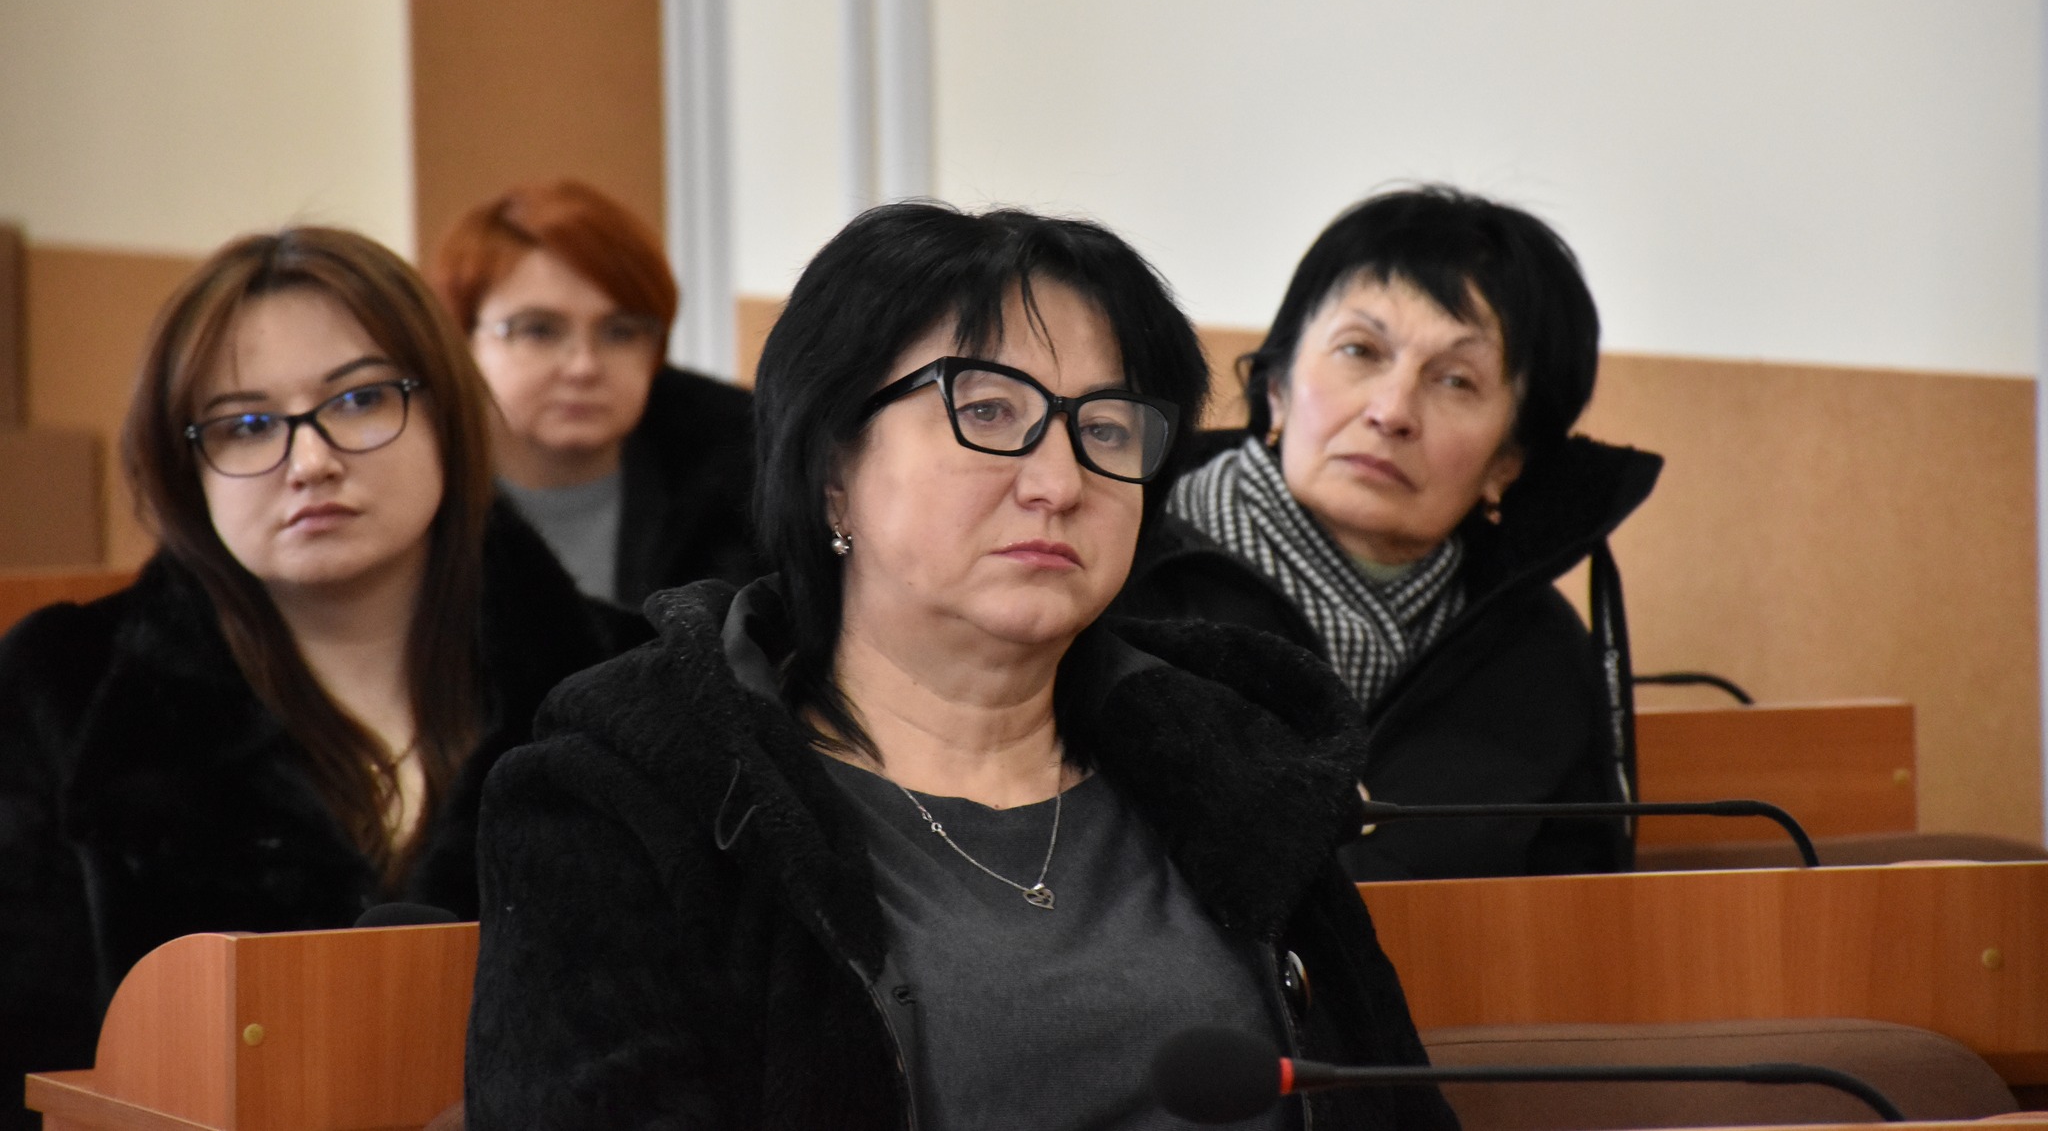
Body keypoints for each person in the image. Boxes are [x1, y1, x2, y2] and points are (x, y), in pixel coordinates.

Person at [464, 203, 1456, 1131]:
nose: (1059, 481)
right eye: (986, 411)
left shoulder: (1237, 763)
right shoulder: (627, 793)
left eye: (1105, 429)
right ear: (832, 469)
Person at [0, 228, 633, 1128]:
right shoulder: (62, 687)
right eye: (246, 424)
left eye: (362, 398)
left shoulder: (625, 680)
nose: (311, 461)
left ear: (446, 413)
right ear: (185, 465)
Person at [1120, 186, 1663, 880]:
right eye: (1360, 349)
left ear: (1507, 461)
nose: (1392, 410)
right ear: (1276, 386)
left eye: (1456, 381)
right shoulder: (1125, 573)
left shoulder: (1539, 656)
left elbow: (1580, 909)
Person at [431, 180, 759, 607]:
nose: (584, 366)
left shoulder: (745, 464)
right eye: (538, 330)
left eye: (620, 332)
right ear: (463, 341)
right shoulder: (416, 474)